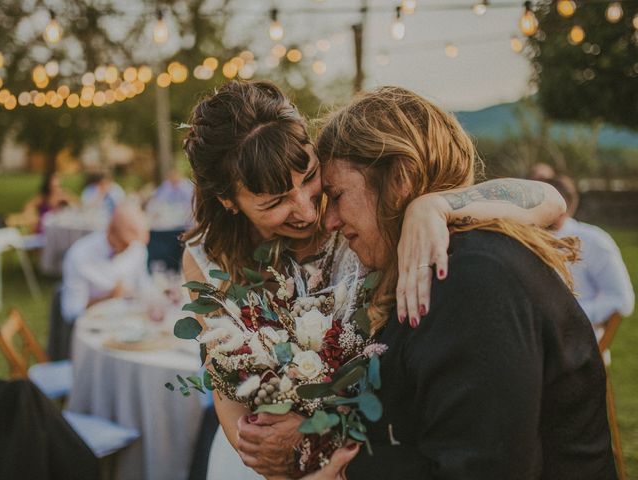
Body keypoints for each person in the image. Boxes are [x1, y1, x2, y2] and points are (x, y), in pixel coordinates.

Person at [180, 81, 567, 480]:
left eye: (309, 177)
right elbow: (226, 383)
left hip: (367, 452)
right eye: (274, 202)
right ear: (230, 201)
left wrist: (434, 206)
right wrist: (273, 465)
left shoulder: (360, 215)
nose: (308, 211)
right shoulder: (208, 259)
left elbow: (550, 202)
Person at [293, 86, 614, 479]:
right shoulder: (431, 269)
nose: (330, 222)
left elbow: (482, 467)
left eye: (337, 195)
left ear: (401, 178)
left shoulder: (471, 279)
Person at [543, 175, 634, 325]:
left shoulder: (594, 241)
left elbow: (622, 299)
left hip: (579, 341)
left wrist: (570, 316)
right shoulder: (521, 239)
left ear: (562, 207)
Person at [60, 202, 150, 322]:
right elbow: (72, 312)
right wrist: (110, 297)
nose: (129, 248)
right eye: (124, 243)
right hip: (95, 326)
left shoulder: (137, 248)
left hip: (132, 322)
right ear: (110, 231)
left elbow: (145, 287)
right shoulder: (80, 255)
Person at [8, 171, 75, 233]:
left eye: (57, 179)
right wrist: (32, 216)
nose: (56, 182)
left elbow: (76, 205)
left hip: (60, 226)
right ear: (48, 183)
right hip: (44, 228)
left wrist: (67, 201)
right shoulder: (43, 196)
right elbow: (28, 206)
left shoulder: (63, 194)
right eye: (54, 179)